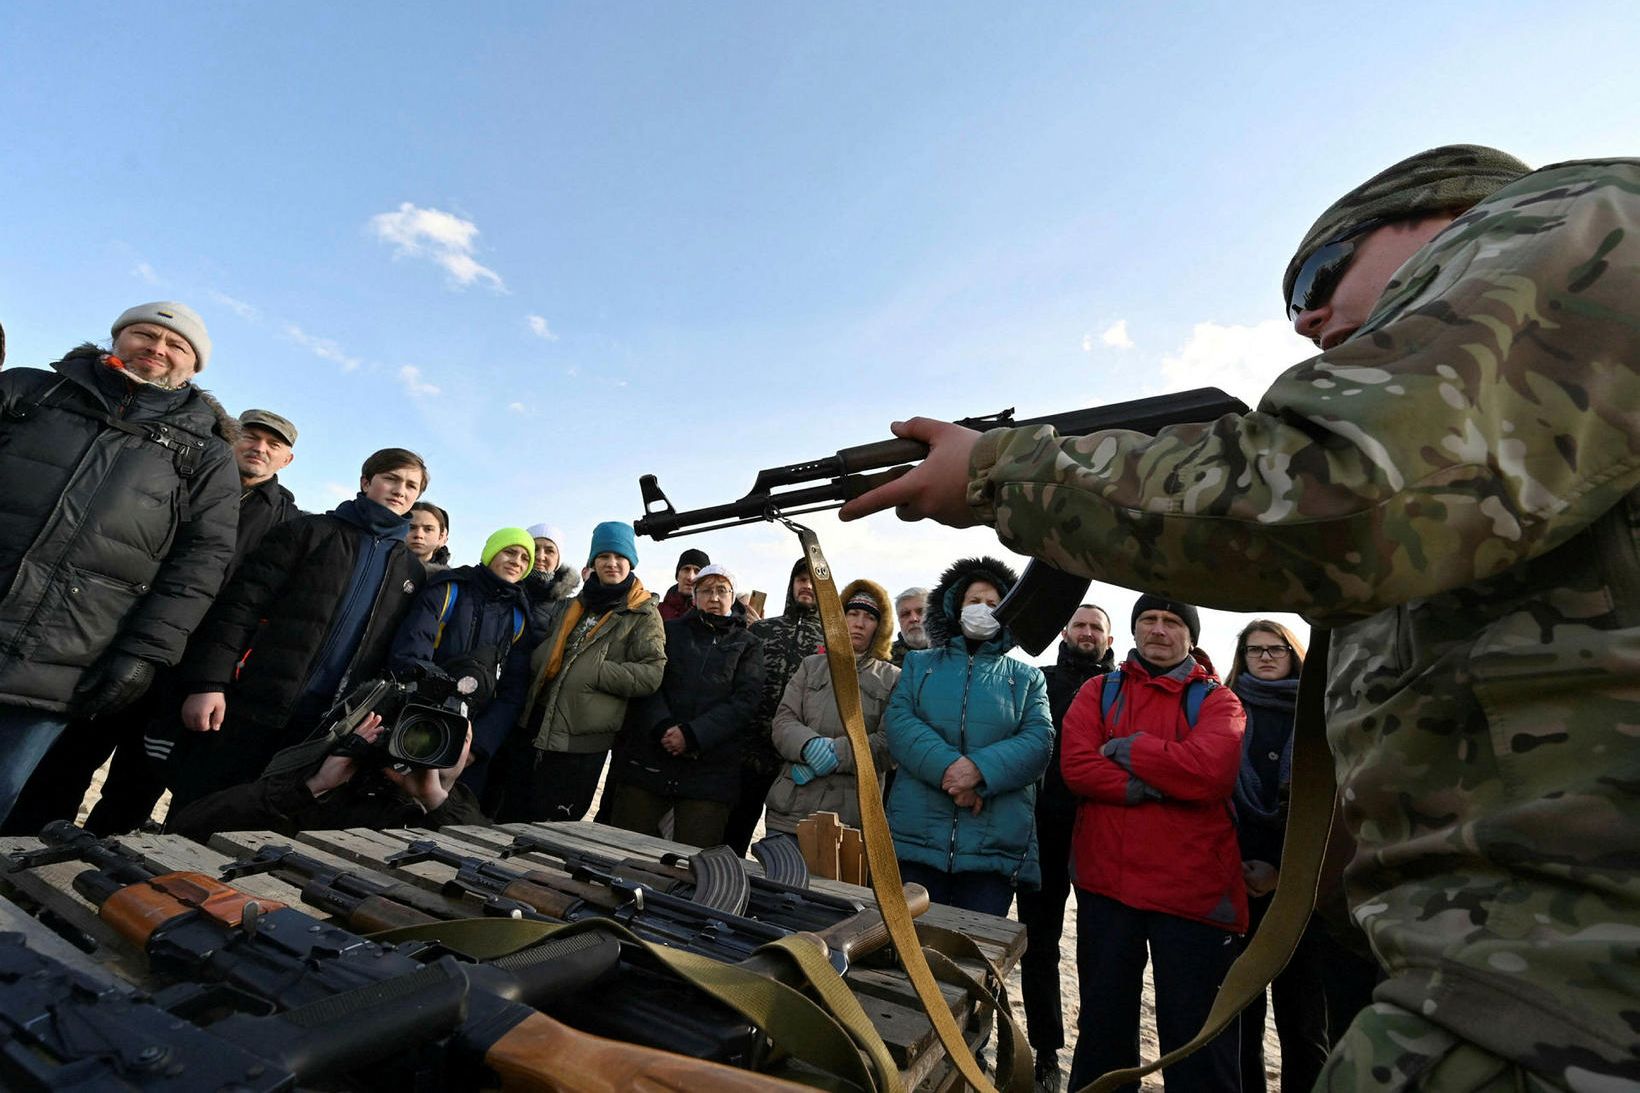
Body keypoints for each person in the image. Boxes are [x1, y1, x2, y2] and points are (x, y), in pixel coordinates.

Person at [839, 146, 1640, 1088]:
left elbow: (1329, 488)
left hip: (1561, 975)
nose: (1304, 318)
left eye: (1319, 273)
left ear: (1444, 214)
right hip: (1519, 952)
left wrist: (1001, 470)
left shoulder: (1567, 222)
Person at [5, 407, 303, 835]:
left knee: (138, 784)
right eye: (251, 437)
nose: (260, 448)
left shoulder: (288, 523)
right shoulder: (180, 480)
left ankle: (90, 865)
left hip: (187, 670)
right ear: (231, 439)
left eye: (273, 445)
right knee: (67, 760)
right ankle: (21, 850)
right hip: (121, 643)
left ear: (286, 461)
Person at [0, 302, 239, 827]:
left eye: (176, 344)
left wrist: (146, 653)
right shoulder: (28, 391)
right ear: (116, 338)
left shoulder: (207, 454)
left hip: (62, 660)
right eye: (143, 334)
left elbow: (201, 562)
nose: (157, 347)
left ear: (194, 366)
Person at [164, 448, 431, 813]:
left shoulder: (410, 572)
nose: (401, 490)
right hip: (253, 706)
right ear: (367, 481)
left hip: (322, 728)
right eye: (392, 478)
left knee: (268, 826)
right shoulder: (307, 532)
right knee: (201, 807)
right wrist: (208, 683)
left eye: (411, 486)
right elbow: (239, 609)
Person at [1059, 596, 1246, 1092]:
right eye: (1148, 620)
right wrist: (1150, 783)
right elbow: (1077, 766)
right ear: (1134, 629)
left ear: (1191, 635)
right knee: (1102, 1028)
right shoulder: (1098, 690)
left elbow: (1210, 774)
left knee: (1197, 1041)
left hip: (1192, 897)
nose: (1159, 630)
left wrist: (1128, 750)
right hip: (1107, 886)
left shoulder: (1219, 701)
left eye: (1171, 622)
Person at [1227, 618, 1374, 1093]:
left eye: (1276, 649)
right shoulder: (1223, 709)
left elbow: (1334, 808)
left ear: (1294, 654)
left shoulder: (1323, 714)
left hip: (1305, 894)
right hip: (1234, 884)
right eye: (1255, 650)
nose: (1266, 657)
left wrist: (1284, 876)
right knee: (1239, 1020)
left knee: (1305, 1026)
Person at [883, 556, 1052, 916]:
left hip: (992, 850)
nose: (983, 610)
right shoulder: (919, 664)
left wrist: (979, 771)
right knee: (904, 951)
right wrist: (951, 770)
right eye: (974, 601)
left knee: (972, 959)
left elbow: (1039, 741)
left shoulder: (1027, 678)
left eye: (994, 604)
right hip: (917, 839)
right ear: (955, 607)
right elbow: (899, 721)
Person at [493, 521, 665, 823]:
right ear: (593, 563)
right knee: (512, 812)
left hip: (582, 739)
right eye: (603, 557)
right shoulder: (573, 605)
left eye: (619, 557)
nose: (611, 564)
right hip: (536, 723)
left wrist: (594, 671)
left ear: (631, 562)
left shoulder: (643, 613)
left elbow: (650, 674)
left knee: (555, 824)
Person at [1017, 602, 1117, 1093]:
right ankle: (1046, 1051)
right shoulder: (1038, 679)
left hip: (1106, 834)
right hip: (1045, 831)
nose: (1087, 632)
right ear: (1064, 630)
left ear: (1110, 639)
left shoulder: (1124, 689)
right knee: (1040, 944)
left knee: (1102, 951)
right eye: (1079, 623)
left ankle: (1098, 1052)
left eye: (1096, 627)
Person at [609, 564, 765, 848]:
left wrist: (693, 735)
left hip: (710, 773)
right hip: (651, 760)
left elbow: (746, 701)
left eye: (722, 590)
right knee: (623, 848)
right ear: (695, 596)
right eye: (706, 590)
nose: (714, 598)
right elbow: (649, 682)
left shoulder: (749, 644)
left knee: (691, 863)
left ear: (733, 597)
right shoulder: (668, 631)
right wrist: (664, 727)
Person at [167, 711, 484, 842]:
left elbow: (488, 862)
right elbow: (191, 825)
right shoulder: (344, 790)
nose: (430, 745)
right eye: (421, 729)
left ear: (469, 758)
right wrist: (313, 786)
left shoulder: (465, 812)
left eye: (455, 737)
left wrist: (436, 802)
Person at [387, 527, 538, 799]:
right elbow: (411, 654)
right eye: (510, 552)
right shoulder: (449, 589)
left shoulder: (520, 617)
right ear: (491, 553)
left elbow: (513, 692)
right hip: (418, 723)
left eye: (525, 558)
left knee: (448, 820)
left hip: (471, 744)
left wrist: (477, 746)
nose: (517, 561)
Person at [764, 580, 899, 834]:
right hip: (790, 809)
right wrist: (809, 746)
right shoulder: (811, 666)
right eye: (852, 613)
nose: (859, 623)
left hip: (847, 820)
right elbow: (783, 721)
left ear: (880, 626)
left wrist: (837, 753)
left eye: (869, 617)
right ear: (839, 617)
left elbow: (889, 743)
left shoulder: (894, 679)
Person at [728, 558, 826, 854]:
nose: (806, 585)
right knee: (731, 836)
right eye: (800, 579)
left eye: (813, 580)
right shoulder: (763, 631)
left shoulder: (831, 642)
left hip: (794, 762)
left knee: (781, 849)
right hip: (748, 755)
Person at [521, 522, 580, 606]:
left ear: (558, 559)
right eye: (534, 549)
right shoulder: (503, 592)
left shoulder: (569, 606)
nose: (540, 557)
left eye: (549, 551)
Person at [658, 548, 710, 621]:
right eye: (686, 569)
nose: (690, 577)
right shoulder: (657, 612)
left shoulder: (713, 614)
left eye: (697, 571)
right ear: (677, 575)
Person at [889, 587, 930, 667]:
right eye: (905, 614)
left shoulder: (952, 653)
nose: (913, 619)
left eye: (921, 611)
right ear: (898, 620)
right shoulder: (884, 659)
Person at [407, 502, 451, 572]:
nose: (419, 535)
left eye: (428, 529)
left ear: (441, 536)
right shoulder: (384, 568)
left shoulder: (450, 580)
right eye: (411, 527)